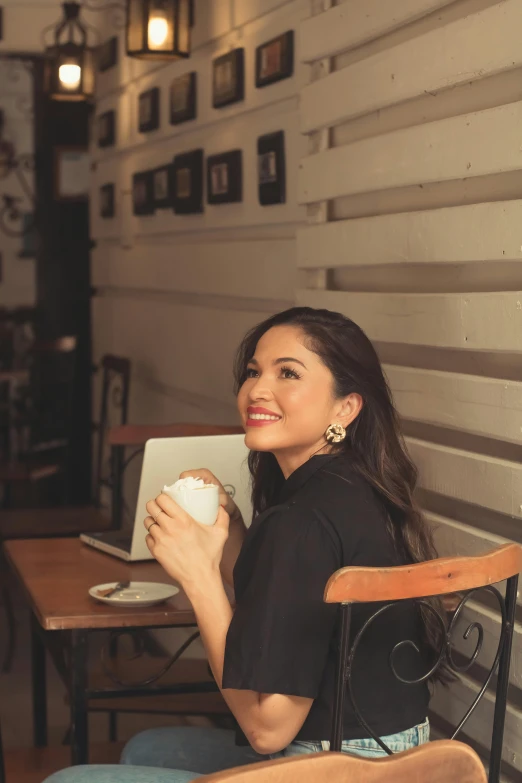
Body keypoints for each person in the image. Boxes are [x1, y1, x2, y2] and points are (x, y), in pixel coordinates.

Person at [44, 307, 442, 783]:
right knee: (148, 747)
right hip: (402, 757)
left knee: (65, 781)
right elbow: (296, 596)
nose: (257, 390)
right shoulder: (356, 488)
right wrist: (231, 530)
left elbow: (266, 730)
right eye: (253, 372)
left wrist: (198, 575)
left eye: (287, 373)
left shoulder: (301, 521)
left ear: (345, 408)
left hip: (329, 768)